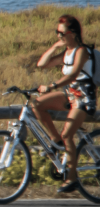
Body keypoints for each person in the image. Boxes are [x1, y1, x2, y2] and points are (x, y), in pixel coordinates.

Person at [30, 15, 94, 193]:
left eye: (62, 33)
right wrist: (54, 47)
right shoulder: (65, 52)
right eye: (57, 32)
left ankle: (72, 178)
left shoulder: (81, 51)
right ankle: (54, 139)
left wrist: (51, 86)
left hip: (83, 97)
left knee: (68, 135)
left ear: (72, 33)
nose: (59, 36)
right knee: (37, 104)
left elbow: (73, 75)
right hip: (69, 95)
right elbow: (41, 64)